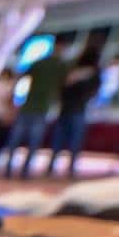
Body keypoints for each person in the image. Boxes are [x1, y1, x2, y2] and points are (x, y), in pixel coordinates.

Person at [4, 36, 70, 179]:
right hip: (36, 108)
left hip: (36, 108)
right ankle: (18, 171)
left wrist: (12, 97)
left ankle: (16, 170)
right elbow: (64, 85)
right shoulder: (58, 65)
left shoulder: (45, 63)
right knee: (27, 141)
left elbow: (20, 77)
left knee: (21, 140)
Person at [46, 43, 102, 177]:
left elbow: (62, 87)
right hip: (76, 109)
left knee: (61, 140)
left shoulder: (74, 70)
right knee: (72, 141)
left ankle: (55, 167)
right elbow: (93, 91)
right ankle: (68, 168)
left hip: (69, 109)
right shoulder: (92, 73)